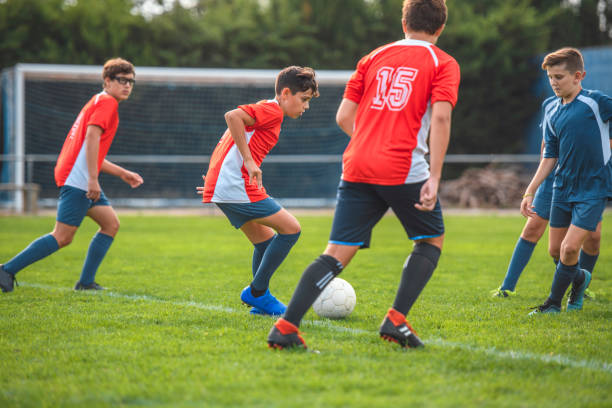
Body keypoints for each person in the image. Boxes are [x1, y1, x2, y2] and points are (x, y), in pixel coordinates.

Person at [266, 0, 460, 349]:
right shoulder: (442, 63)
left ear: (404, 21)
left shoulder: (372, 57)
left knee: (336, 251)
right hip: (403, 166)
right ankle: (396, 320)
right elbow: (442, 119)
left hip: (356, 163)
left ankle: (286, 327)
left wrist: (371, 143)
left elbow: (343, 117)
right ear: (441, 26)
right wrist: (434, 176)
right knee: (431, 240)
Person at [0, 58, 143, 293]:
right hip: (80, 180)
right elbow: (91, 140)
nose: (127, 85)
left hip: (79, 176)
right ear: (107, 81)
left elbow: (90, 150)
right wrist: (92, 180)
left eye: (131, 81)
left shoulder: (98, 100)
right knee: (63, 236)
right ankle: (7, 269)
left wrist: (122, 173)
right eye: (121, 80)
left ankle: (86, 282)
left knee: (110, 224)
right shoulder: (107, 102)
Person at [197, 66, 319, 316]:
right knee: (292, 229)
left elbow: (229, 138)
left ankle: (260, 302)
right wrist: (249, 162)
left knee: (265, 243)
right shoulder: (272, 110)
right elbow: (232, 116)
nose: (306, 107)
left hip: (229, 184)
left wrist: (214, 179)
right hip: (235, 185)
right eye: (303, 99)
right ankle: (257, 292)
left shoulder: (269, 112)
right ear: (286, 93)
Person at [521, 47, 611, 315]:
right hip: (562, 187)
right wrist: (530, 190)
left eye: (559, 77)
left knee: (570, 248)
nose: (554, 83)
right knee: (555, 252)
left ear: (579, 75)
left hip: (593, 188)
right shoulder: (551, 110)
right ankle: (580, 280)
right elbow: (550, 155)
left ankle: (552, 304)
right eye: (550, 77)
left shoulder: (597, 102)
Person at [491, 149, 602, 299]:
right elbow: (546, 148)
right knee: (539, 235)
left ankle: (582, 289)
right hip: (552, 180)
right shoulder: (551, 123)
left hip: (587, 180)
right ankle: (507, 288)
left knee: (593, 238)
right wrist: (532, 189)